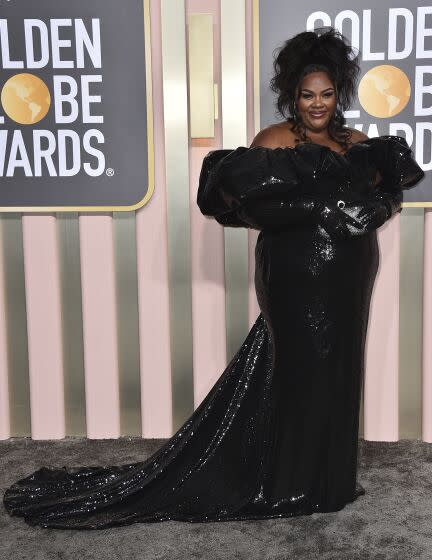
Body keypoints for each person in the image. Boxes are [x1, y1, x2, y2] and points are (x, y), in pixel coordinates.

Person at [3, 27, 424, 530]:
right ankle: (287, 479)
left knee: (339, 368)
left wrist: (369, 206)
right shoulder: (272, 142)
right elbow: (247, 206)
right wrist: (317, 205)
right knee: (294, 370)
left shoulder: (358, 144)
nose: (317, 105)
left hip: (349, 273)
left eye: (327, 94)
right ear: (292, 93)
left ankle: (328, 481)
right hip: (292, 274)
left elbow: (385, 196)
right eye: (306, 95)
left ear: (341, 92)